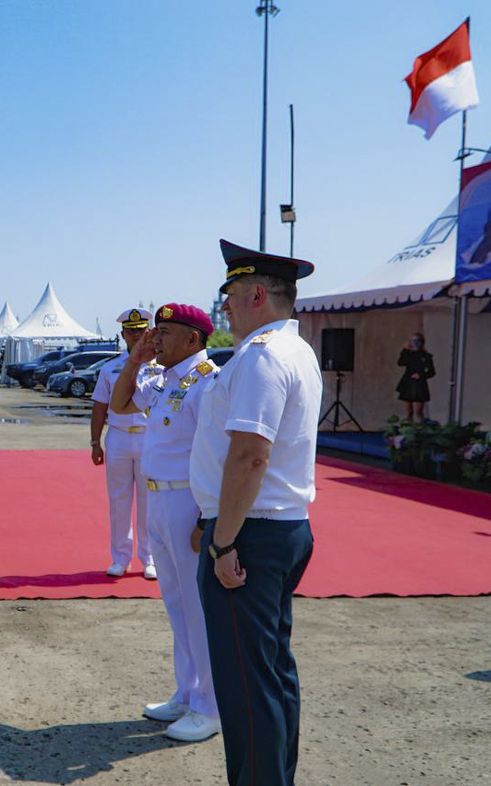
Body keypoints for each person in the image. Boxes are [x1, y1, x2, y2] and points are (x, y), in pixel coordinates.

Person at [190, 240, 321, 785]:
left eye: (231, 296)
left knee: (246, 685)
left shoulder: (263, 356)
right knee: (270, 674)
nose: (224, 307)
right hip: (276, 528)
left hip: (250, 535)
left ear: (258, 295)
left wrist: (222, 540)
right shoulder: (296, 350)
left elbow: (250, 456)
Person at [110, 303, 221, 743]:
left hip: (187, 502)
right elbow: (120, 404)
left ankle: (209, 706)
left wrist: (207, 518)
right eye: (155, 332)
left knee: (198, 609)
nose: (156, 339)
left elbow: (219, 455)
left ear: (193, 339)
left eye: (165, 332)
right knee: (176, 605)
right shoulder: (164, 380)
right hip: (158, 500)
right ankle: (187, 692)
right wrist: (136, 360)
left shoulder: (208, 382)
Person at [90, 308, 158, 579]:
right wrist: (95, 442)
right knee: (119, 501)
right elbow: (99, 406)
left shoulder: (160, 367)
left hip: (148, 436)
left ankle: (149, 558)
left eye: (140, 331)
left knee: (148, 502)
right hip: (118, 435)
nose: (136, 336)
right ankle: (120, 558)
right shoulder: (111, 368)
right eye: (131, 332)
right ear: (123, 335)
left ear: (148, 332)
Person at [396, 332, 434, 422]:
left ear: (422, 342)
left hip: (419, 384)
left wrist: (421, 375)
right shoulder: (408, 354)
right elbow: (400, 363)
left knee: (418, 412)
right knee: (408, 412)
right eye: (413, 341)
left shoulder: (426, 356)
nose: (415, 343)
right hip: (408, 383)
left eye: (418, 341)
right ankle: (408, 426)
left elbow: (432, 372)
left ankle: (421, 427)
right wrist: (405, 349)